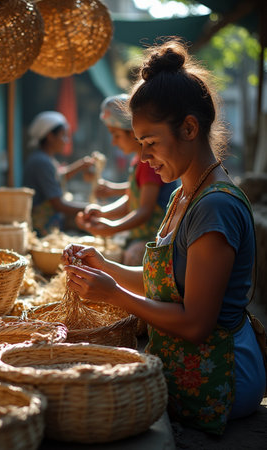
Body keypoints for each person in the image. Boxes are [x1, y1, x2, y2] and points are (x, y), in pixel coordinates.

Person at [62, 38, 265, 435]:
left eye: (151, 143)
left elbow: (195, 323)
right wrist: (106, 267)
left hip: (222, 378)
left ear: (189, 127)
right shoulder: (182, 194)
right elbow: (167, 286)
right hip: (186, 363)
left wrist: (113, 294)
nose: (143, 157)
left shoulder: (215, 207)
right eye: (140, 144)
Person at [76, 94, 177, 265]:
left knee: (132, 256)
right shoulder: (138, 161)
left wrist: (112, 227)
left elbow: (144, 211)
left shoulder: (149, 164)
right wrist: (103, 213)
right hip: (141, 234)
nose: (114, 143)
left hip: (157, 239)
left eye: (116, 135)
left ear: (133, 133)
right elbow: (131, 201)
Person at [23, 111, 95, 236]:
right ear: (50, 136)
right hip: (41, 230)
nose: (66, 141)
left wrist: (81, 165)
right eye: (63, 135)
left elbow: (57, 178)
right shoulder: (42, 162)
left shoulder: (45, 158)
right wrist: (91, 207)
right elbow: (59, 205)